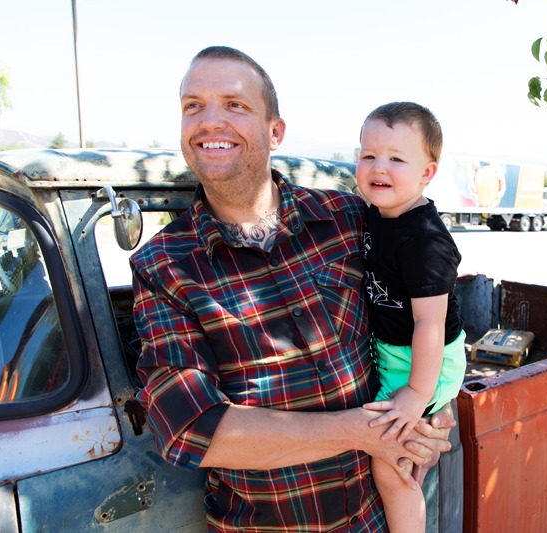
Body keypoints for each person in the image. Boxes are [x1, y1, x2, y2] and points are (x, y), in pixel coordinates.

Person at [130, 47, 454, 532]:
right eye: (192, 105)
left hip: (371, 519)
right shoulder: (163, 266)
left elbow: (426, 309)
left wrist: (432, 413)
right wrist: (370, 433)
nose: (210, 121)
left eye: (235, 105)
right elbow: (191, 429)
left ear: (275, 131)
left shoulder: (348, 219)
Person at [356, 102, 466, 533]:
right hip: (397, 350)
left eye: (397, 159)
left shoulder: (424, 240)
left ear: (427, 173)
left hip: (424, 361)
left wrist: (418, 394)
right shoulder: (375, 215)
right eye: (368, 155)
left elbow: (430, 324)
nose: (379, 167)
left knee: (391, 465)